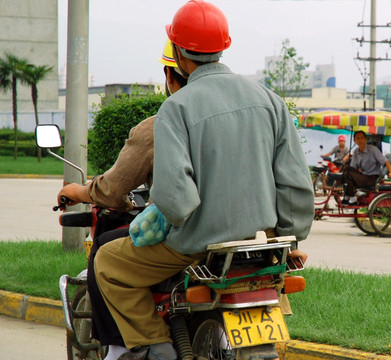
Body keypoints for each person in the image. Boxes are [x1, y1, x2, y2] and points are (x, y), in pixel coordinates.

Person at [93, 1, 314, 360]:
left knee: (108, 262)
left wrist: (165, 219)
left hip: (197, 246)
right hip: (260, 244)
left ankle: (153, 342)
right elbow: (295, 185)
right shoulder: (270, 100)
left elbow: (175, 200)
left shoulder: (176, 108)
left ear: (179, 54)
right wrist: (289, 236)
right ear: (223, 46)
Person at [56, 40, 187, 360]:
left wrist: (82, 191)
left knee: (106, 255)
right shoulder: (256, 114)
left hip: (194, 238)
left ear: (171, 77)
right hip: (260, 240)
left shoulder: (162, 125)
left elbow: (113, 190)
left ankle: (124, 347)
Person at [341, 130, 391, 205]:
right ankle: (348, 196)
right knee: (346, 168)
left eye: (362, 138)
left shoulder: (373, 149)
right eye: (358, 138)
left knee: (347, 172)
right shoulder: (356, 151)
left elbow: (386, 161)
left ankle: (350, 197)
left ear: (365, 139)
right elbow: (352, 167)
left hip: (373, 178)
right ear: (354, 140)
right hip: (364, 176)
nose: (360, 140)